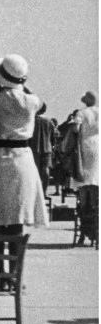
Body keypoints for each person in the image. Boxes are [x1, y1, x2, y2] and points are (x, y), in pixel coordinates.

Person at [0, 55, 48, 291]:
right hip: (23, 159)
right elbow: (41, 104)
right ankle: (16, 276)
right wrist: (20, 82)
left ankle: (1, 276)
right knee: (17, 221)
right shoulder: (32, 101)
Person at [73, 91, 99, 245]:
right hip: (98, 149)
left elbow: (76, 129)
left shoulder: (81, 113)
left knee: (83, 190)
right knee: (96, 190)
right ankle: (96, 231)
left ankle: (84, 230)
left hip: (85, 148)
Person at [30, 104, 57, 198]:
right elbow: (54, 137)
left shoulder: (32, 120)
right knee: (46, 170)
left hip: (34, 148)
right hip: (47, 148)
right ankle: (44, 192)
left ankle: (34, 193)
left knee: (34, 171)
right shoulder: (49, 121)